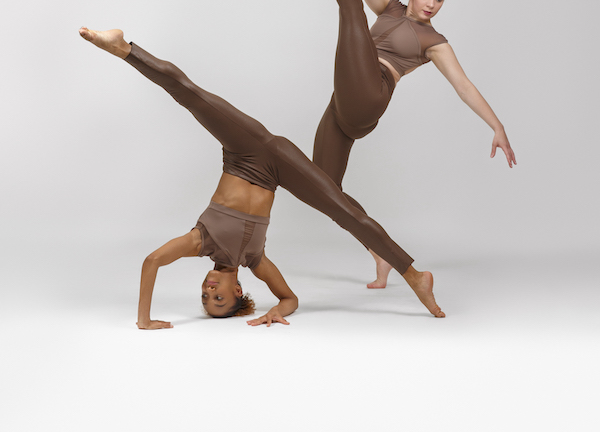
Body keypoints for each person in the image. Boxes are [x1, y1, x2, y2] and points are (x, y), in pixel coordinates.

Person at [79, 27, 446, 328]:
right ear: (239, 291)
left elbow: (152, 261)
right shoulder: (256, 261)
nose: (209, 290)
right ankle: (415, 276)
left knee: (190, 95)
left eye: (204, 297)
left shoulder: (200, 243)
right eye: (218, 298)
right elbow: (290, 299)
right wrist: (276, 311)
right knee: (343, 209)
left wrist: (144, 320)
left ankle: (124, 49)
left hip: (245, 150)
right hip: (277, 167)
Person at [313, 0, 517, 289]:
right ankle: (382, 254)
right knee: (322, 191)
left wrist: (497, 125)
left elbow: (463, 86)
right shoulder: (389, 6)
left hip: (370, 93)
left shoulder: (433, 42)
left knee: (350, 13)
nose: (431, 4)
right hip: (342, 107)